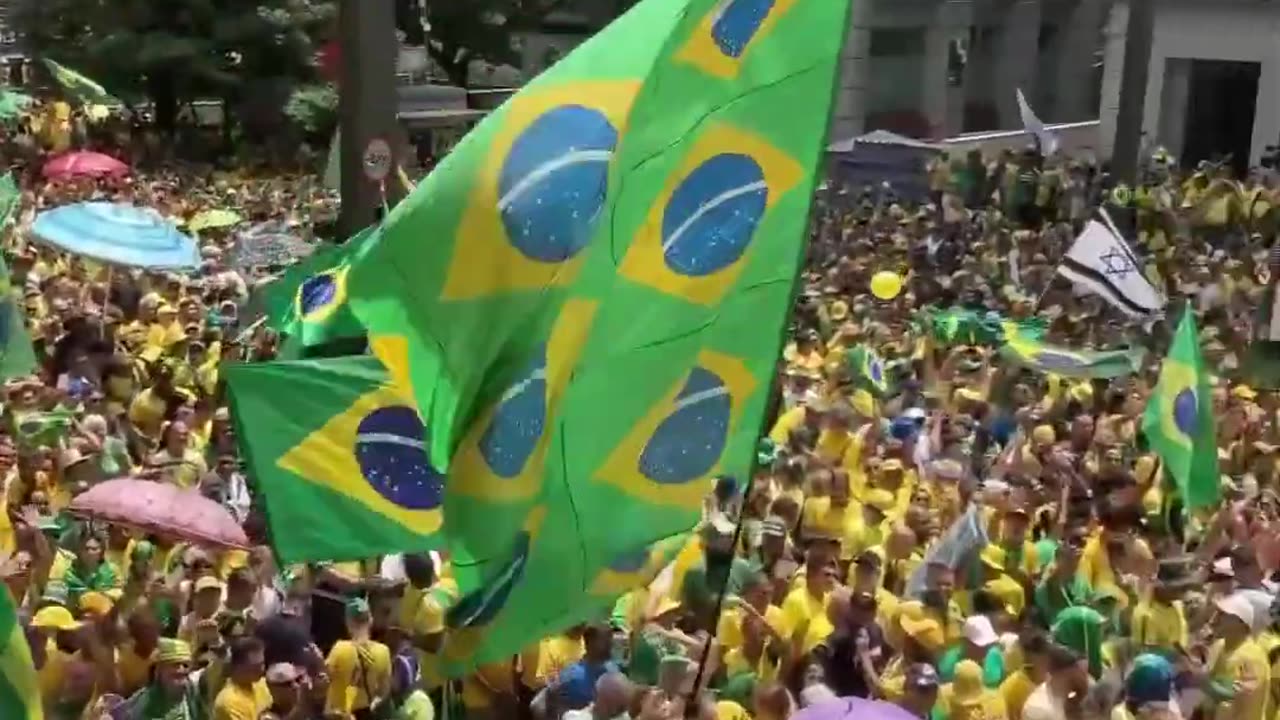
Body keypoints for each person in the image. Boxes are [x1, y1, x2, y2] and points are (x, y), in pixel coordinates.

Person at [324, 597, 391, 720]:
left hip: (339, 715)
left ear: (348, 622)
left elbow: (323, 679)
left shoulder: (339, 649)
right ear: (370, 620)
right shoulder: (383, 651)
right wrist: (372, 706)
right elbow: (384, 691)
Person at [211, 636, 271, 720]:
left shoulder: (263, 684)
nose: (262, 669)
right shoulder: (228, 701)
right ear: (239, 666)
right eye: (256, 666)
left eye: (263, 663)